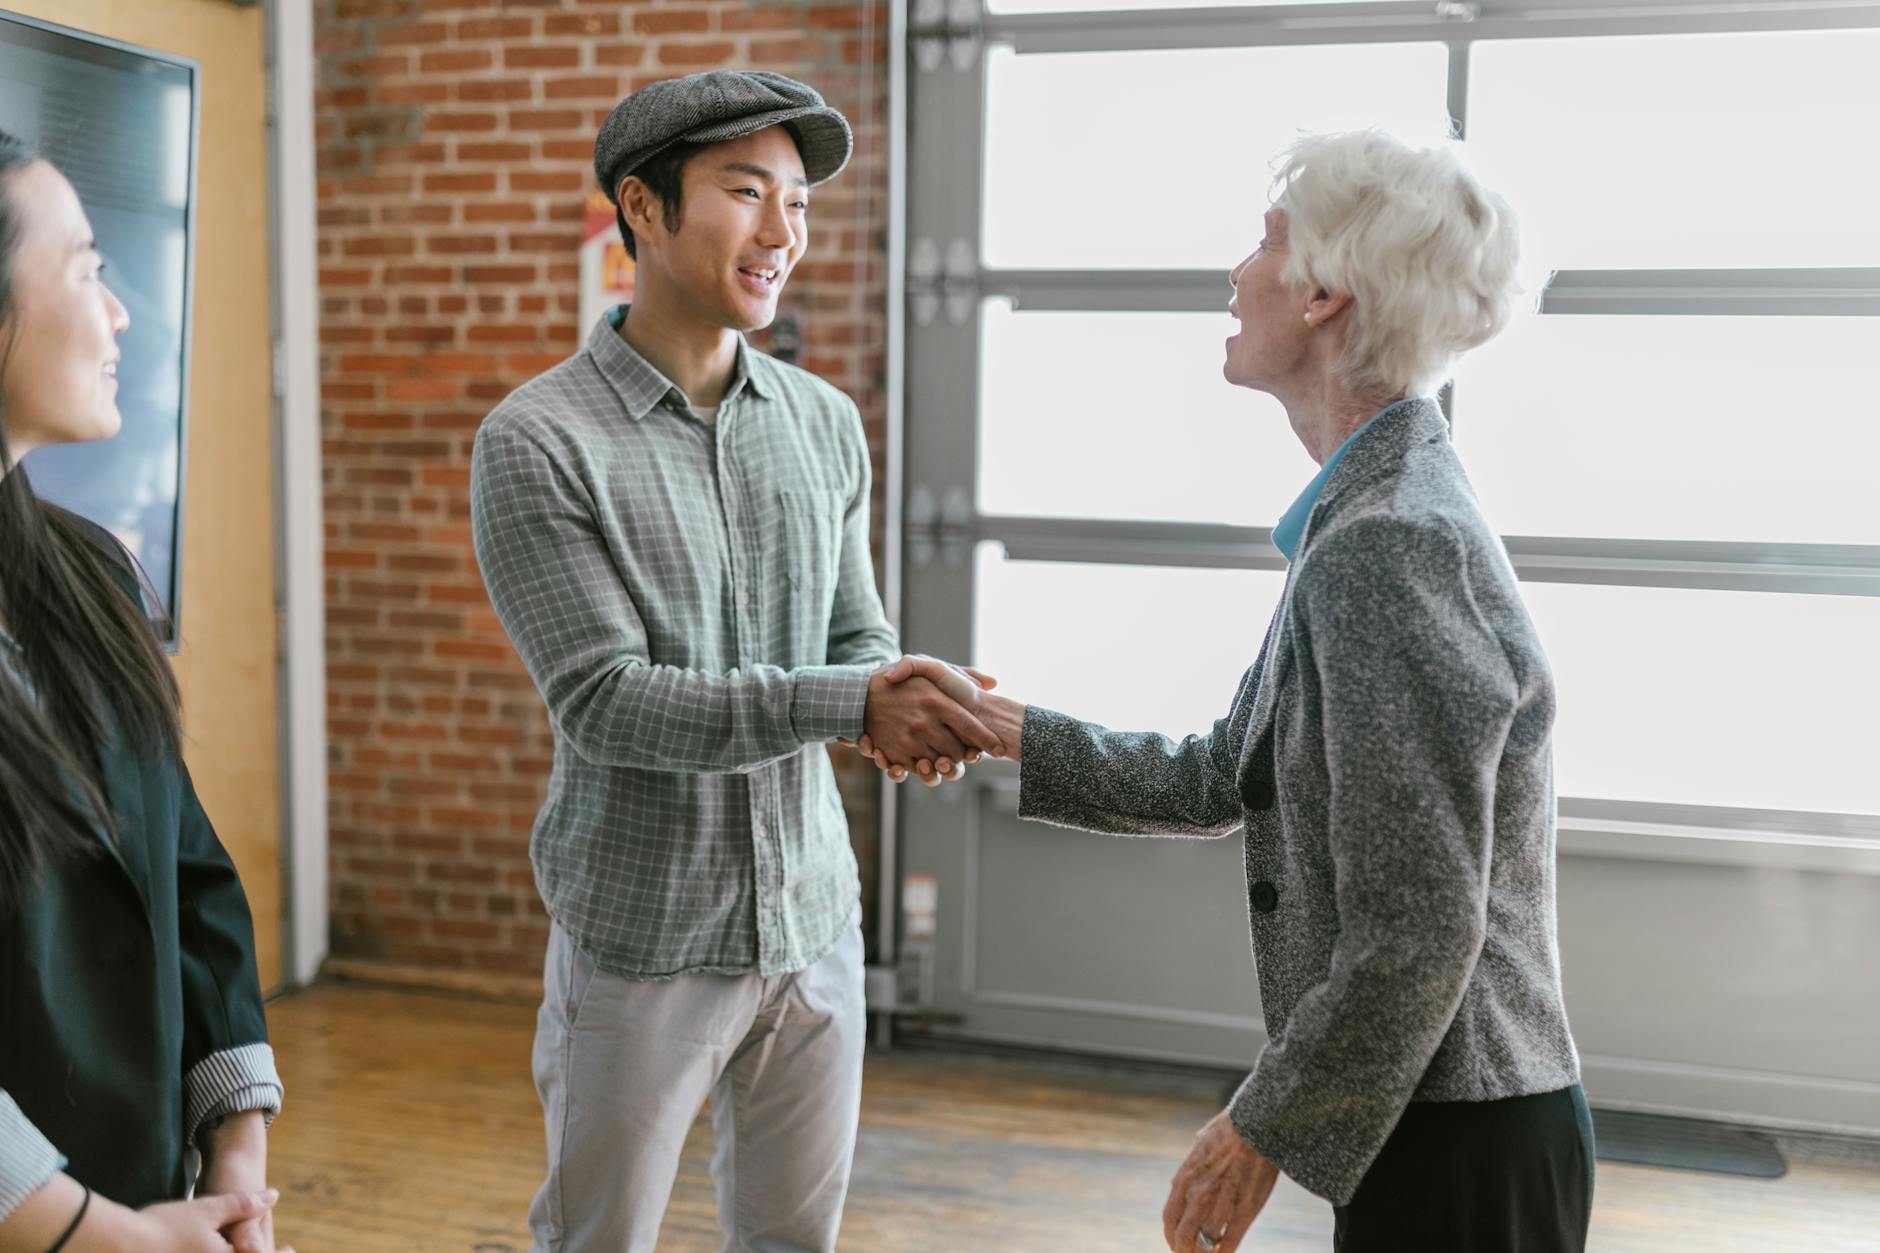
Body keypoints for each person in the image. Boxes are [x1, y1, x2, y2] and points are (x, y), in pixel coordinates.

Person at [868, 129, 1594, 1252]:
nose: (1236, 272)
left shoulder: (1387, 543)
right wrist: (1005, 727)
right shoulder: (1366, 513)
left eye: (1264, 242)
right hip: (1446, 1117)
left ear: (1323, 293)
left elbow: (1416, 927)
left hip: (1464, 1138)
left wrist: (1254, 1128)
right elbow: (1228, 770)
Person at [469, 70, 999, 1253]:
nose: (781, 232)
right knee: (593, 1239)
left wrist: (903, 703)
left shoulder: (821, 421)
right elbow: (608, 702)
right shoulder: (537, 441)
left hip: (813, 922)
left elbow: (852, 635)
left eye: (798, 202)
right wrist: (849, 696)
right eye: (744, 191)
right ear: (642, 211)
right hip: (642, 942)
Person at [0, 135, 289, 1252]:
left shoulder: (92, 570)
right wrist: (114, 1236)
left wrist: (235, 1168)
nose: (121, 317)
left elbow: (190, 875)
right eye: (84, 269)